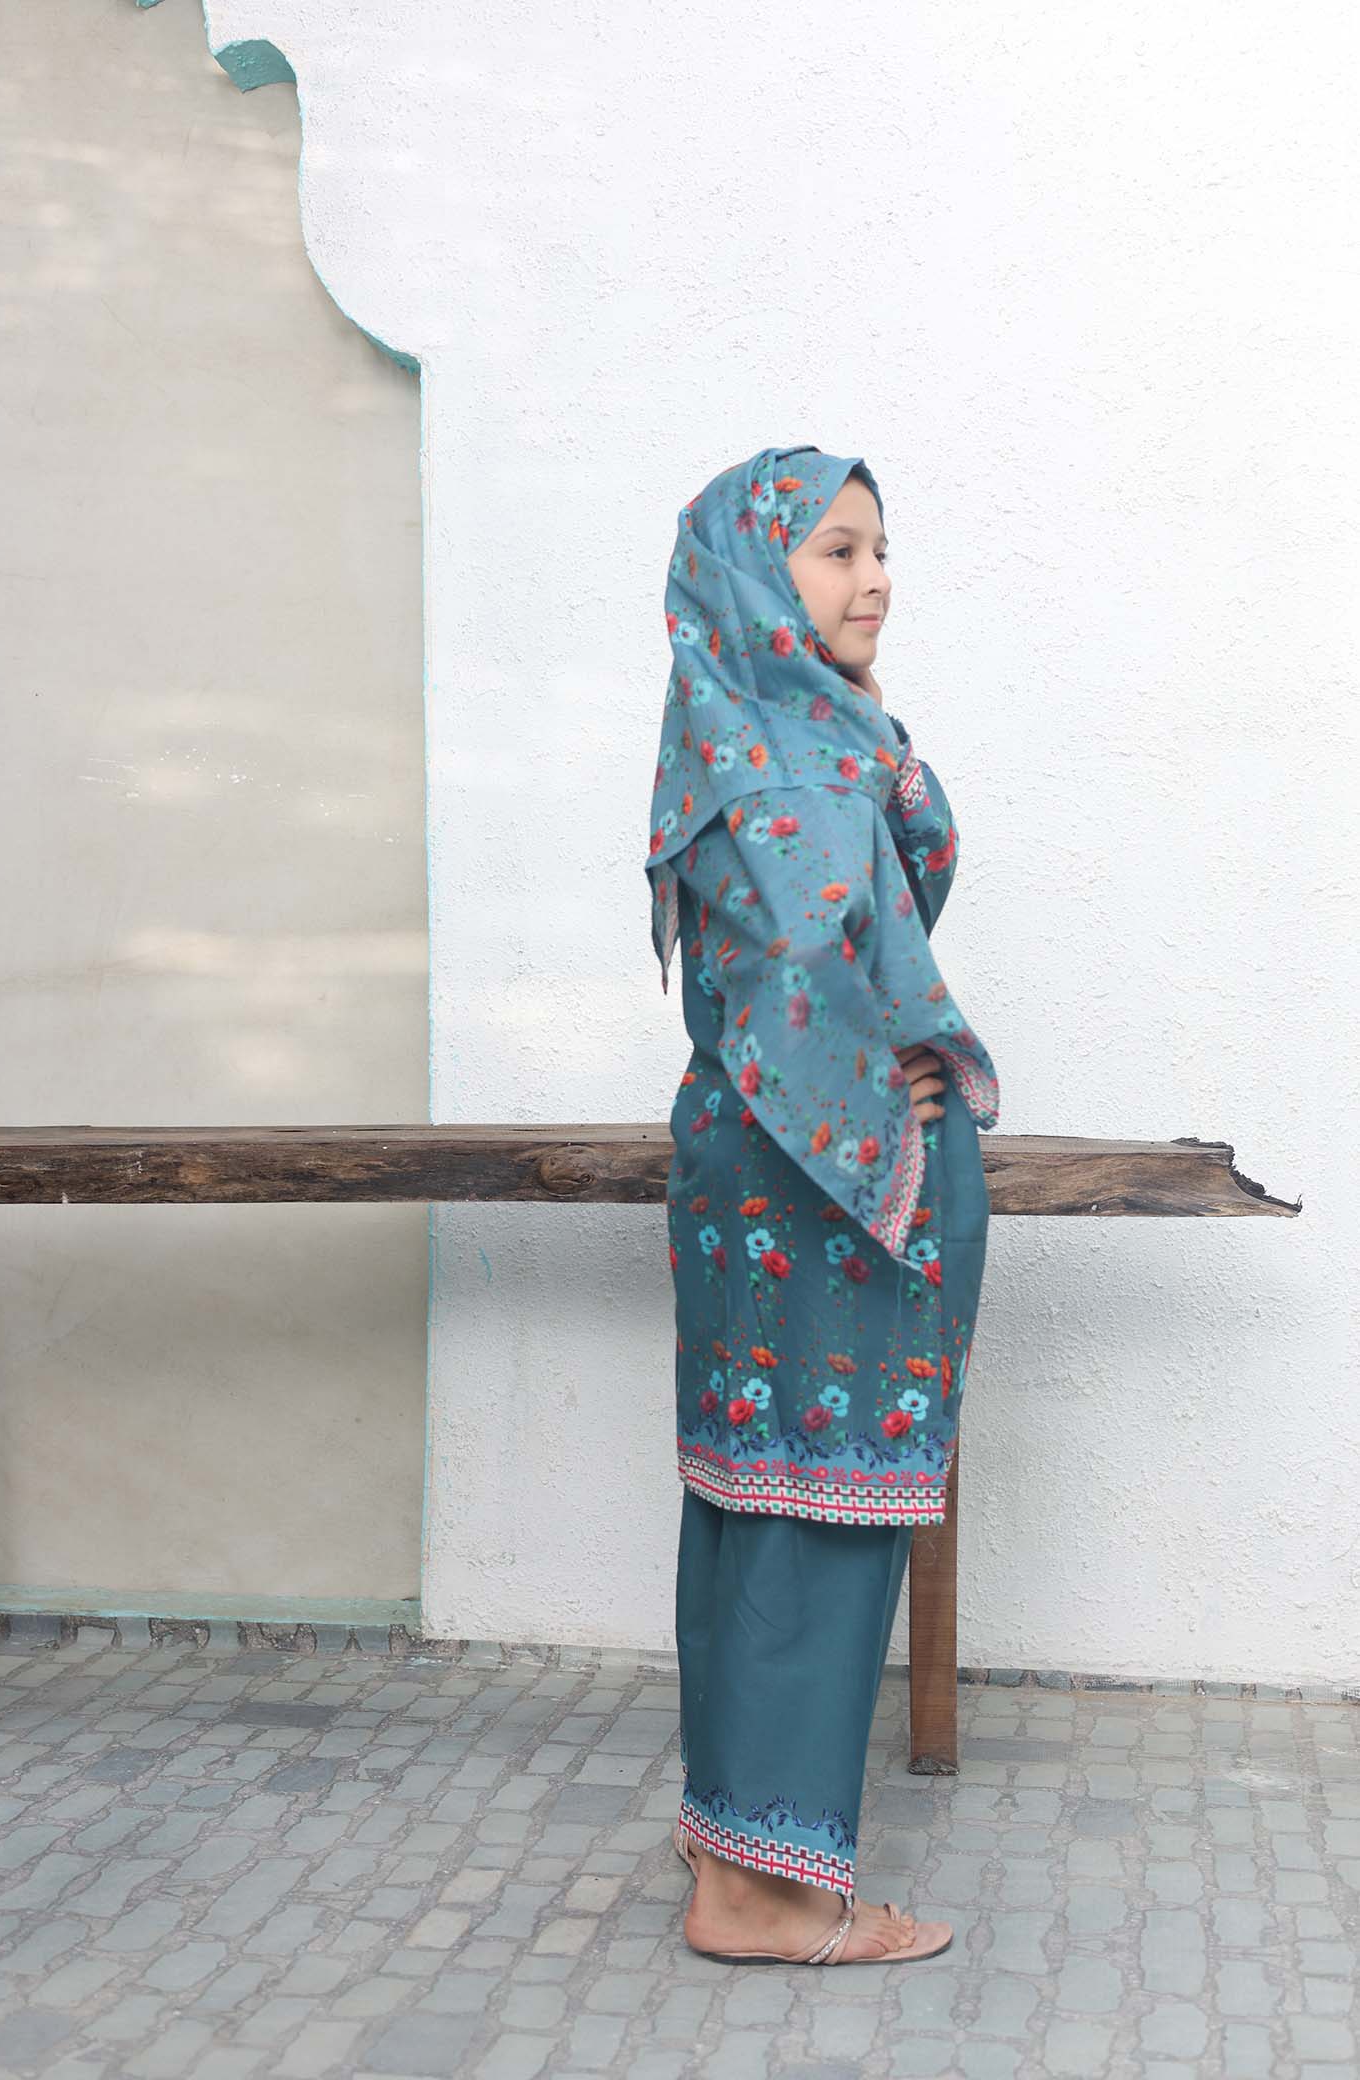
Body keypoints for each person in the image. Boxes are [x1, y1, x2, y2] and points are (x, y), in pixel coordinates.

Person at [644, 445, 1000, 1967]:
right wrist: (887, 1121)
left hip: (761, 1175)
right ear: (753, 571)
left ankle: (734, 1835)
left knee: (756, 1489)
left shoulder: (757, 720)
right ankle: (770, 1897)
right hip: (818, 1187)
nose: (875, 580)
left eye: (880, 551)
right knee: (817, 1499)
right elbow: (795, 972)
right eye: (836, 552)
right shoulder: (784, 751)